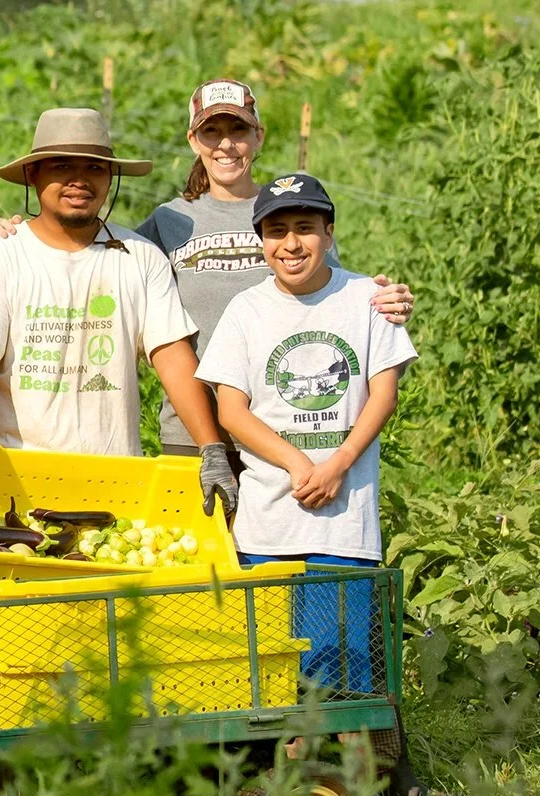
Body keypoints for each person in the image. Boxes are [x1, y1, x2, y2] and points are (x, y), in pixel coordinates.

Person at [0, 80, 415, 457]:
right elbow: (88, 251)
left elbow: (332, 297)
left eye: (238, 130)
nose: (226, 145)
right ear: (193, 140)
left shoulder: (289, 214)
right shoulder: (169, 222)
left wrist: (379, 299)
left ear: (258, 137)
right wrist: (18, 230)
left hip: (284, 422)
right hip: (192, 428)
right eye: (212, 132)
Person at [0, 108, 236, 520]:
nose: (79, 180)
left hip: (113, 478)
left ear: (110, 178)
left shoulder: (139, 258)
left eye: (94, 167)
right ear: (33, 175)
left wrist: (212, 450)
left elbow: (172, 357)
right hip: (16, 481)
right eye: (62, 166)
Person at [198, 174, 413, 697]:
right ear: (261, 241)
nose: (291, 244)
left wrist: (337, 464)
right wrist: (298, 464)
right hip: (269, 520)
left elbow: (383, 394)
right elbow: (232, 410)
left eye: (304, 228)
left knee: (342, 666)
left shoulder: (367, 299)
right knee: (276, 671)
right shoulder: (247, 310)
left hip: (344, 519)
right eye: (276, 231)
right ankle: (297, 765)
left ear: (330, 233)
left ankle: (350, 767)